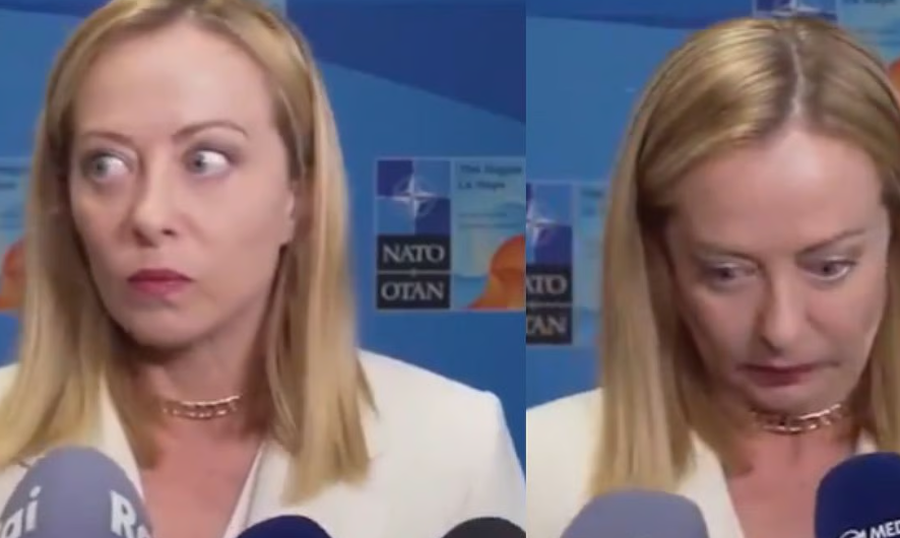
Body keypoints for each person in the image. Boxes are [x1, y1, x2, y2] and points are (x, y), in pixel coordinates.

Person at [0, 1, 524, 537]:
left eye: (205, 160)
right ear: (63, 198)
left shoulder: (455, 447)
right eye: (105, 164)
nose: (149, 215)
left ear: (299, 195)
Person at [526, 15, 900, 538]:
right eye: (727, 273)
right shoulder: (541, 473)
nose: (781, 329)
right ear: (660, 260)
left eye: (829, 267)